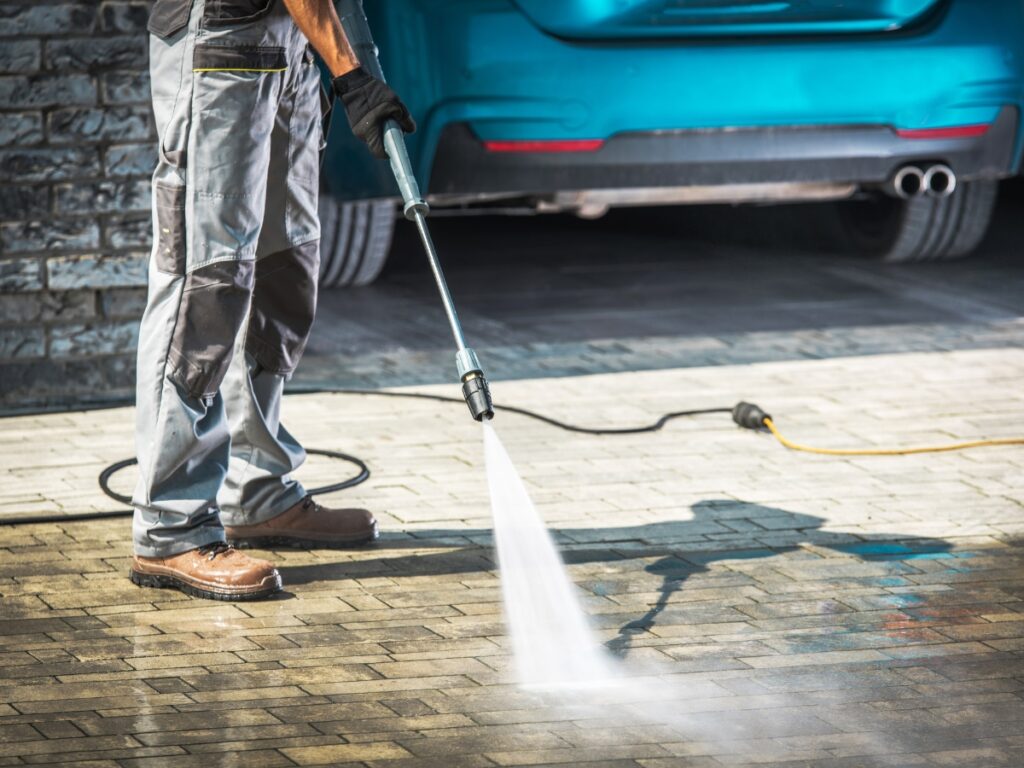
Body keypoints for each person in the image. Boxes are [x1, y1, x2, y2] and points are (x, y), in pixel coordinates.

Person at [130, 0, 414, 600]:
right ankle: (171, 526)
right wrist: (350, 71)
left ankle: (257, 489)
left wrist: (350, 59)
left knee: (284, 271)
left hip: (291, 49)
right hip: (220, 43)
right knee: (206, 282)